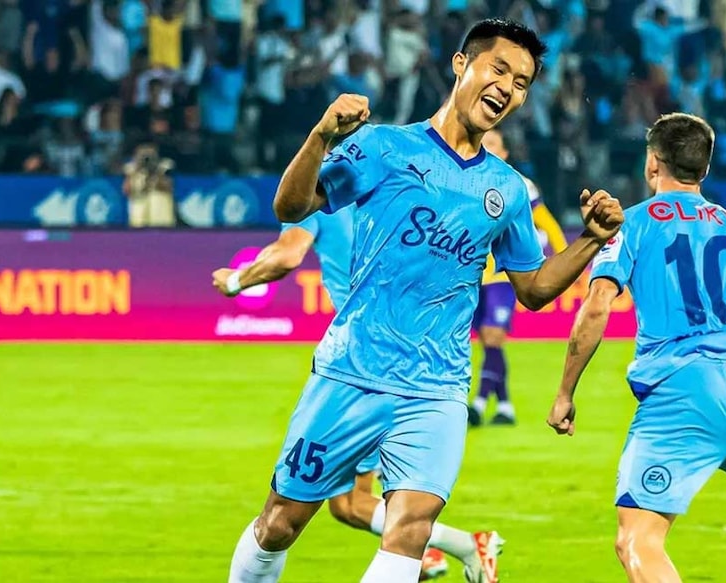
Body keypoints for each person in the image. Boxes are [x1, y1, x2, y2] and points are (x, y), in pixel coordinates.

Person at [227, 18, 624, 583]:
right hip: (351, 371)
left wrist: (589, 239)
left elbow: (533, 290)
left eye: (522, 82)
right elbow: (291, 209)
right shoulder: (382, 147)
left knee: (409, 530)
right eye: (500, 69)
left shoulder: (507, 190)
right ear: (462, 65)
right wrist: (320, 136)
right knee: (279, 524)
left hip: (436, 388)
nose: (508, 87)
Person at [546, 112, 726, 582]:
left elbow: (598, 306)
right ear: (704, 170)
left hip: (680, 396)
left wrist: (565, 392)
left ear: (652, 163)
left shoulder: (632, 223)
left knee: (637, 539)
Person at [212, 206, 503, 582]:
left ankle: (445, 545)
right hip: (426, 368)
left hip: (363, 367)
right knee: (348, 503)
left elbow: (287, 254)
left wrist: (236, 280)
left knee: (309, 510)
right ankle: (447, 546)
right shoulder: (402, 173)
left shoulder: (322, 188)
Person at [469, 128, 568, 426]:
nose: (485, 147)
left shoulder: (520, 185)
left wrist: (563, 262)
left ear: (504, 153)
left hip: (502, 276)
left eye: (492, 144)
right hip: (474, 276)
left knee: (494, 337)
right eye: (483, 142)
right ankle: (506, 407)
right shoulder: (468, 179)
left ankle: (478, 402)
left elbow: (546, 222)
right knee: (488, 342)